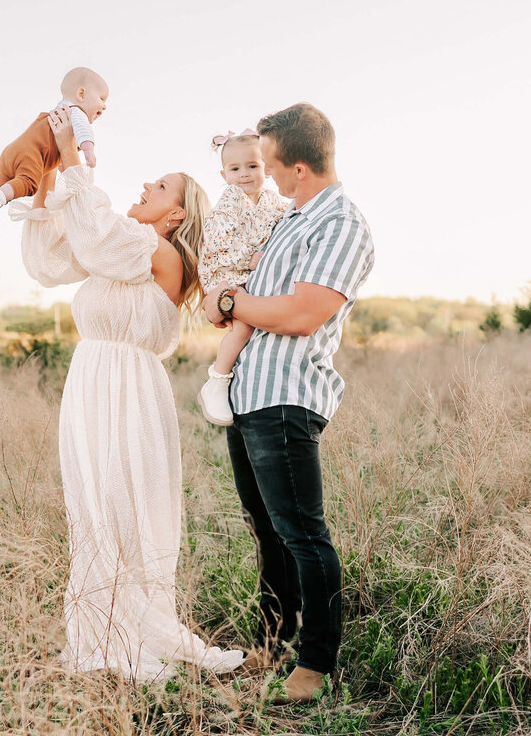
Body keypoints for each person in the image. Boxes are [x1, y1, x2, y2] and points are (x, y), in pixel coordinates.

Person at [14, 105, 244, 682]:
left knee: (124, 506)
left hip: (131, 390)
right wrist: (47, 176)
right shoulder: (119, 248)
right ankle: (101, 631)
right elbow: (50, 262)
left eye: (160, 186)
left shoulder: (159, 254)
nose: (145, 186)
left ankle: (136, 630)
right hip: (89, 384)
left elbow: (96, 238)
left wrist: (76, 165)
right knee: (93, 507)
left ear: (174, 215)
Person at [203, 103, 374, 703]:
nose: (266, 176)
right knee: (267, 534)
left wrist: (228, 305)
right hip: (249, 393)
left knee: (302, 533)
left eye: (272, 165)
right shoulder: (289, 219)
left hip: (287, 396)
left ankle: (316, 663)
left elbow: (302, 314)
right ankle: (272, 645)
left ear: (298, 167)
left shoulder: (340, 224)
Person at [196, 129, 289, 426]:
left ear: (267, 169)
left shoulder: (272, 201)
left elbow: (286, 220)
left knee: (262, 315)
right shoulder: (232, 198)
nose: (244, 175)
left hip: (245, 271)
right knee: (244, 325)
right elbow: (217, 238)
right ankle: (217, 380)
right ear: (224, 175)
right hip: (223, 270)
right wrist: (248, 259)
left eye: (252, 166)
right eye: (235, 169)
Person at [0, 67, 108, 246]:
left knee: (3, 188)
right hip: (30, 155)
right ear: (81, 93)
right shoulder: (75, 113)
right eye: (101, 98)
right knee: (28, 183)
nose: (104, 106)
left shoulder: (57, 112)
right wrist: (89, 152)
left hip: (13, 151)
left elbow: (59, 160)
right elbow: (84, 132)